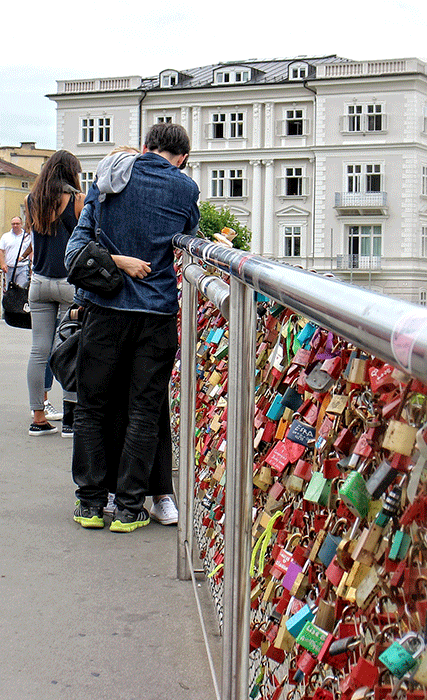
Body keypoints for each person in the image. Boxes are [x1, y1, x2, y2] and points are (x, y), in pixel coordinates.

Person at [65, 123, 200, 532]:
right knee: (144, 410)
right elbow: (188, 238)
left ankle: (89, 505)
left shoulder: (108, 177)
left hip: (105, 308)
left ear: (145, 148)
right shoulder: (186, 189)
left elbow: (83, 238)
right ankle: (128, 509)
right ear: (182, 157)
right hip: (156, 312)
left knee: (92, 405)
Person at [25, 150, 85, 437]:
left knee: (39, 350)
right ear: (71, 171)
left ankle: (38, 418)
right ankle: (71, 420)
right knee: (70, 348)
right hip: (68, 283)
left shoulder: (32, 199)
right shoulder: (75, 200)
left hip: (38, 282)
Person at [0, 216, 31, 288]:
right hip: (9, 268)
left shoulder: (27, 236)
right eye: (13, 224)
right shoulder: (6, 236)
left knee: (21, 290)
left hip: (23, 267)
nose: (15, 225)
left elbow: (31, 251)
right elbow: (1, 251)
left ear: (21, 224)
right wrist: (2, 264)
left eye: (17, 223)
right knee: (10, 291)